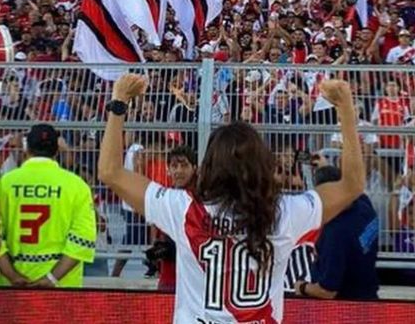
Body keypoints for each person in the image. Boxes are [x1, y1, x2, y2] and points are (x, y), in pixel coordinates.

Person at [98, 74, 365, 323]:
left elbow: (110, 172)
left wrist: (119, 101)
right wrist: (345, 111)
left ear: (208, 166)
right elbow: (352, 185)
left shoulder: (183, 209)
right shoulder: (284, 212)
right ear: (262, 165)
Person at [0, 124, 96, 288]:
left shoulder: (3, 185)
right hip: (64, 287)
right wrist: (51, 279)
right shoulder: (77, 186)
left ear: (26, 148)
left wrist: (13, 276)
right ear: (57, 151)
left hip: (12, 288)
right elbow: (82, 242)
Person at [294, 165, 379, 300]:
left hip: (345, 308)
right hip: (369, 296)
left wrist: (302, 287)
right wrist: (326, 168)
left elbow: (327, 291)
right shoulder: (364, 203)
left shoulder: (335, 233)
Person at [146, 145, 198, 291]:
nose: (179, 171)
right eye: (174, 166)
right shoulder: (164, 198)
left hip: (192, 284)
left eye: (184, 165)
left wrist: (172, 249)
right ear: (168, 169)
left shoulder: (200, 201)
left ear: (195, 168)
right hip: (168, 280)